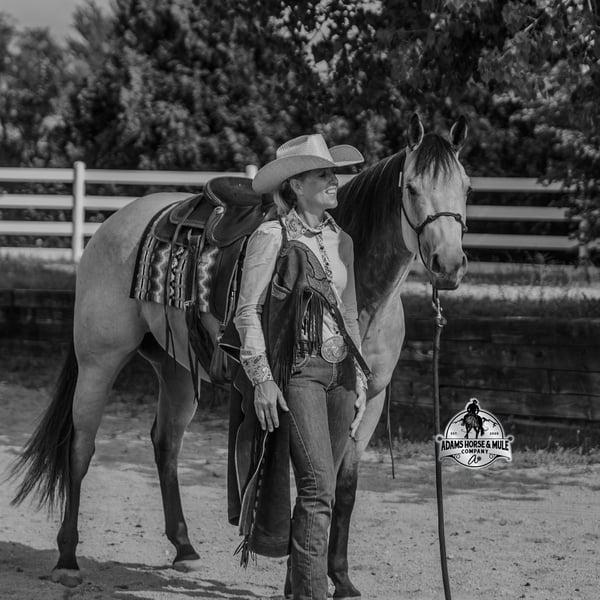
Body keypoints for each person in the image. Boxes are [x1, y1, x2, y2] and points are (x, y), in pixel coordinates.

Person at [224, 133, 371, 600]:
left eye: (333, 173)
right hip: (300, 371)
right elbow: (247, 312)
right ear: (295, 185)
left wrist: (360, 377)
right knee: (318, 488)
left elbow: (350, 314)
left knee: (322, 491)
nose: (334, 181)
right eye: (323, 174)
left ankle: (298, 587)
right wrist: (263, 380)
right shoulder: (272, 237)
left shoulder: (343, 240)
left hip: (341, 374)